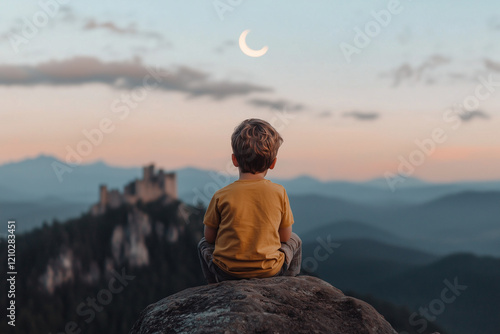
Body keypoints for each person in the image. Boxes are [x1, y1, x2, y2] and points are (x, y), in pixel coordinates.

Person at [198, 118, 302, 283]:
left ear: (234, 160)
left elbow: (209, 238)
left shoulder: (221, 195)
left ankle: (214, 285)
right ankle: (288, 281)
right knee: (295, 239)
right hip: (270, 271)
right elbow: (285, 236)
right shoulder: (279, 192)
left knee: (202, 244)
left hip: (227, 272)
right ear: (273, 163)